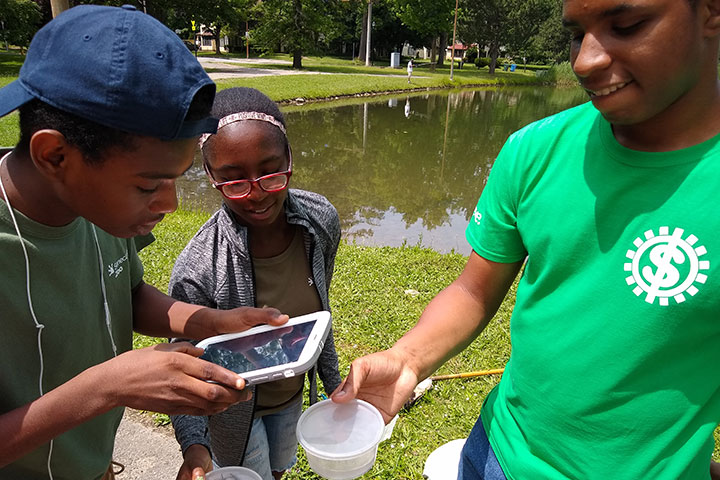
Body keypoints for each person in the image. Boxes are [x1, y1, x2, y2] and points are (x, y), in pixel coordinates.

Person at [331, 0, 720, 479]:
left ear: (710, 12)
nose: (585, 61)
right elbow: (473, 289)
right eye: (577, 34)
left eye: (627, 25)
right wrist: (407, 360)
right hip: (495, 454)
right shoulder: (533, 150)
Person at [0, 7, 287, 480]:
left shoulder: (98, 209)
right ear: (55, 155)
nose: (169, 204)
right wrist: (106, 387)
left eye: (175, 180)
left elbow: (127, 291)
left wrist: (209, 322)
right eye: (148, 186)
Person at [169, 87, 342, 480]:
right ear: (211, 177)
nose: (257, 193)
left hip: (292, 394)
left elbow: (320, 312)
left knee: (279, 467)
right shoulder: (198, 268)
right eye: (234, 181)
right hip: (231, 415)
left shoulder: (320, 222)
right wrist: (195, 448)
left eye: (270, 172)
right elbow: (182, 366)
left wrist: (334, 385)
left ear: (290, 160)